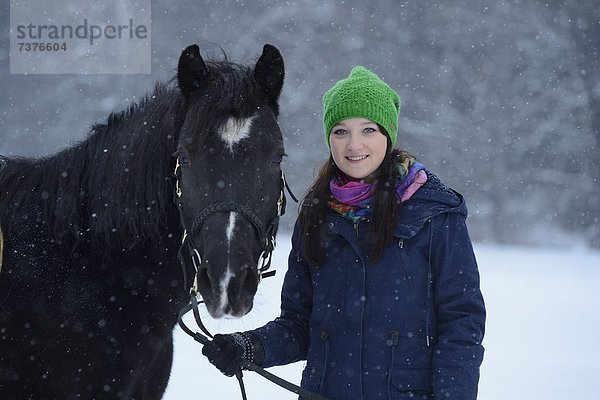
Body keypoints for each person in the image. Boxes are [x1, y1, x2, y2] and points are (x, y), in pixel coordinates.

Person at [202, 66, 486, 400]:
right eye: (341, 131)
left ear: (387, 135)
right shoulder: (315, 216)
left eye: (367, 129)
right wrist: (250, 346)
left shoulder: (435, 213)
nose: (354, 145)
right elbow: (299, 324)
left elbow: (461, 325)